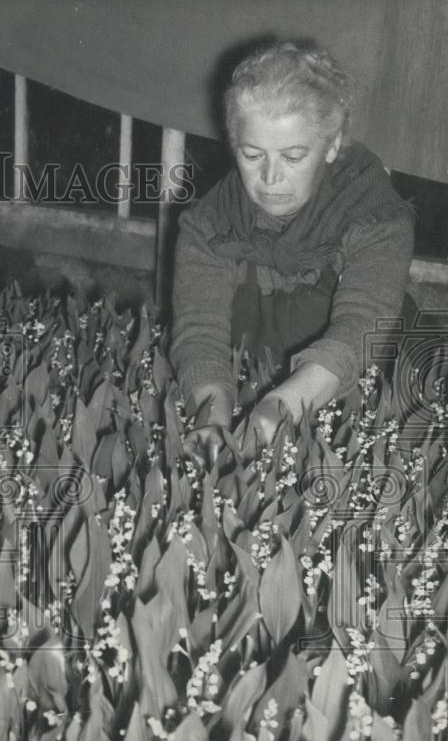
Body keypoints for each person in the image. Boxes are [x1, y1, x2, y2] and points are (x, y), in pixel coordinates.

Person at [170, 42, 415, 464]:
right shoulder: (209, 221)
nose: (269, 177)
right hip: (254, 358)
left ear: (332, 146)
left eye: (293, 156)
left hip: (360, 368)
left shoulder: (375, 213)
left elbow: (360, 326)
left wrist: (278, 409)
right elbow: (200, 330)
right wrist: (212, 418)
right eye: (252, 155)